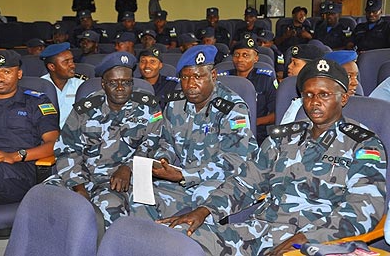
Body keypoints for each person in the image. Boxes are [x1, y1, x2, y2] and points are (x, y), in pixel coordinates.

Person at [158, 58, 387, 256]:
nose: (314, 102)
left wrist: (307, 237)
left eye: (324, 95)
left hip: (313, 242)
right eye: (308, 94)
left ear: (343, 98)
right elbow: (246, 182)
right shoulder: (284, 137)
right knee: (178, 238)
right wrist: (205, 209)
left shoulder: (364, 144)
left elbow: (363, 209)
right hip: (258, 229)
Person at [130, 45, 258, 221]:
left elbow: (235, 161)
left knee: (201, 198)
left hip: (219, 182)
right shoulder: (175, 104)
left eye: (198, 77)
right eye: (185, 77)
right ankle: (147, 242)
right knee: (141, 197)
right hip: (182, 180)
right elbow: (165, 141)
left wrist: (185, 175)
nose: (190, 85)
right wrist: (163, 160)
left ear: (213, 76)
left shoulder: (232, 108)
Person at [44, 51, 163, 227]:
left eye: (126, 82)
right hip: (81, 174)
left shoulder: (148, 107)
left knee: (107, 211)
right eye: (113, 83)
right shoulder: (85, 109)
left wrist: (128, 167)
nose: (121, 88)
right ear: (103, 84)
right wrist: (78, 187)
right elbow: (67, 148)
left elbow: (154, 144)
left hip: (119, 181)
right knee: (42, 195)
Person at [0, 50, 59, 218]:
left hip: (20, 172)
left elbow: (53, 144)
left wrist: (16, 156)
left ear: (19, 74)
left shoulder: (37, 102)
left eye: (6, 72)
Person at [220, 34, 277, 145]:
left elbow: (276, 113)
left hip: (257, 132)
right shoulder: (223, 79)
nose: (240, 59)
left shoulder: (266, 79)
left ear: (256, 58)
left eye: (245, 55)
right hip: (224, 131)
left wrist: (253, 122)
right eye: (236, 55)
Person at [281, 49, 358, 125]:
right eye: (348, 76)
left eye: (356, 76)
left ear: (344, 98)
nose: (355, 83)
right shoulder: (299, 106)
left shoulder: (366, 106)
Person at [40, 42, 88, 128]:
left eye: (72, 61)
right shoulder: (39, 87)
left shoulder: (81, 85)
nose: (72, 65)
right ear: (52, 67)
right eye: (66, 62)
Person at [280, 44, 326, 124]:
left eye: (295, 63)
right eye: (290, 62)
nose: (289, 66)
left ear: (309, 68)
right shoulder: (297, 103)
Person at [137, 46, 179, 110]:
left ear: (160, 65)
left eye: (152, 62)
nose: (147, 65)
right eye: (143, 61)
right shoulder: (133, 85)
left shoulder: (172, 85)